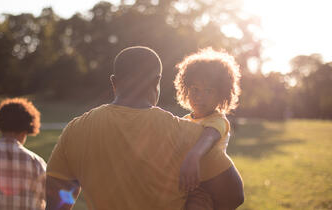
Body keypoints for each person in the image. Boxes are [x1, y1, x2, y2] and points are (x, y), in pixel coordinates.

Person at [45, 46, 244, 210]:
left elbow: (57, 203)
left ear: (114, 82)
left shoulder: (75, 130)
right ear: (157, 81)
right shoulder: (190, 135)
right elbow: (234, 195)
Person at [175, 48, 244, 210]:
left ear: (221, 94)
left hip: (215, 188)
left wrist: (194, 155)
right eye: (195, 90)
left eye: (208, 91)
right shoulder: (185, 121)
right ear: (185, 89)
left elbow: (208, 137)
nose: (200, 97)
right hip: (195, 186)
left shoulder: (218, 120)